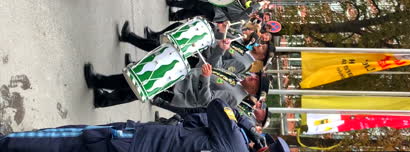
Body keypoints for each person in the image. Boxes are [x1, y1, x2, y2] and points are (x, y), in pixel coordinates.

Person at [0, 98, 290, 152]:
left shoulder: (236, 141)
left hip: (131, 142)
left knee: (66, 140)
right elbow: (195, 121)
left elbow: (218, 106)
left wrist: (246, 124)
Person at [84, 59, 271, 108]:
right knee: (138, 84)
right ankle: (103, 96)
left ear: (254, 90)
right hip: (183, 80)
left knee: (138, 87)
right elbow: (214, 70)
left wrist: (205, 78)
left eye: (256, 80)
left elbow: (207, 101)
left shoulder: (234, 98)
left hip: (179, 92)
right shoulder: (237, 82)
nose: (253, 76)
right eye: (256, 75)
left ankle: (98, 83)